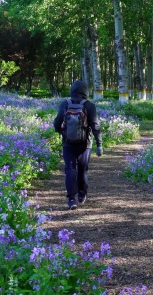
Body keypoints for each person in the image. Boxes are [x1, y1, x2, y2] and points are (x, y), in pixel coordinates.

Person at [53, 80, 103, 210]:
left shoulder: (65, 104)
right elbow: (95, 125)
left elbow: (57, 122)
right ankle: (82, 194)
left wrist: (61, 133)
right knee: (82, 170)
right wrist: (99, 144)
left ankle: (71, 199)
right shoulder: (89, 105)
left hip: (68, 143)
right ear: (86, 91)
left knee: (70, 171)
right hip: (85, 144)